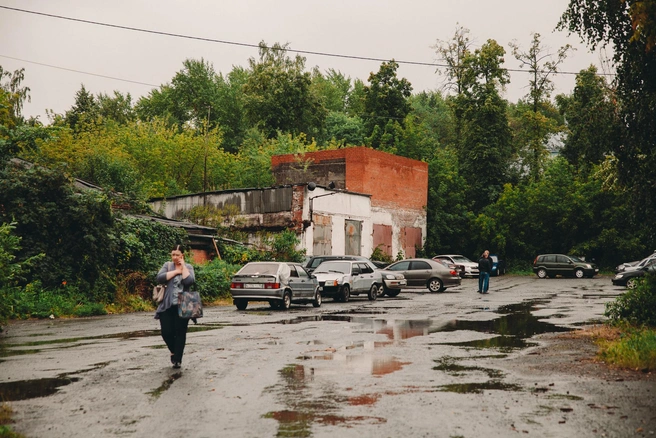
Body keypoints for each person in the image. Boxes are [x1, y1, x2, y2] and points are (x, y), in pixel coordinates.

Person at [155, 244, 195, 369]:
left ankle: (177, 359)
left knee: (180, 332)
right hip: (167, 305)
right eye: (173, 254)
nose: (175, 257)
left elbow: (189, 281)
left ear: (182, 255)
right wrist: (176, 271)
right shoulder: (167, 266)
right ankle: (173, 351)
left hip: (183, 304)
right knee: (166, 332)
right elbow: (160, 278)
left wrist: (182, 268)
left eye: (177, 255)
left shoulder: (188, 267)